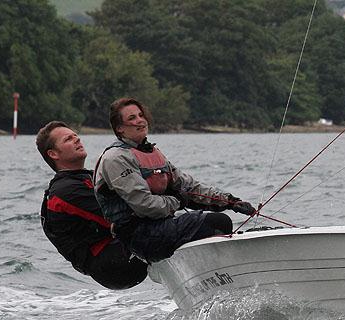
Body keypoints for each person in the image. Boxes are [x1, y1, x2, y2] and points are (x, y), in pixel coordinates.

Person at [94, 97, 255, 263]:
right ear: (119, 128)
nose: (140, 120)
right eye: (131, 118)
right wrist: (177, 201)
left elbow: (188, 186)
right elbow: (145, 205)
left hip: (159, 227)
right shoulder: (116, 158)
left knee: (217, 221)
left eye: (141, 115)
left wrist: (230, 202)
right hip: (138, 235)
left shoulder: (151, 152)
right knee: (218, 223)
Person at [37, 121, 148, 290]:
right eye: (68, 139)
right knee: (171, 226)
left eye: (76, 135)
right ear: (53, 154)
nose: (77, 139)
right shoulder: (66, 191)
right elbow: (119, 217)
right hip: (112, 264)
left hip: (120, 249)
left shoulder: (87, 177)